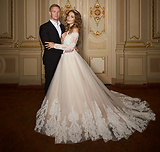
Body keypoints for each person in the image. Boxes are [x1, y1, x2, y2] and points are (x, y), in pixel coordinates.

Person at [35, 9, 155, 144]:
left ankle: (81, 110)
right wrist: (66, 44)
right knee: (66, 86)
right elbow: (68, 46)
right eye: (68, 16)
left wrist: (56, 45)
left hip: (71, 60)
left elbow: (70, 46)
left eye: (71, 16)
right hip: (65, 60)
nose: (68, 18)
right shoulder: (67, 29)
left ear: (76, 19)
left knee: (78, 85)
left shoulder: (75, 29)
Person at [39, 4, 65, 94]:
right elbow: (47, 45)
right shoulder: (44, 27)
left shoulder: (63, 27)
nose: (56, 14)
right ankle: (48, 105)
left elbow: (66, 42)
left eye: (58, 12)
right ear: (50, 13)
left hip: (64, 59)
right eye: (54, 11)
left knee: (62, 83)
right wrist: (65, 49)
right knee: (50, 82)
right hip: (51, 59)